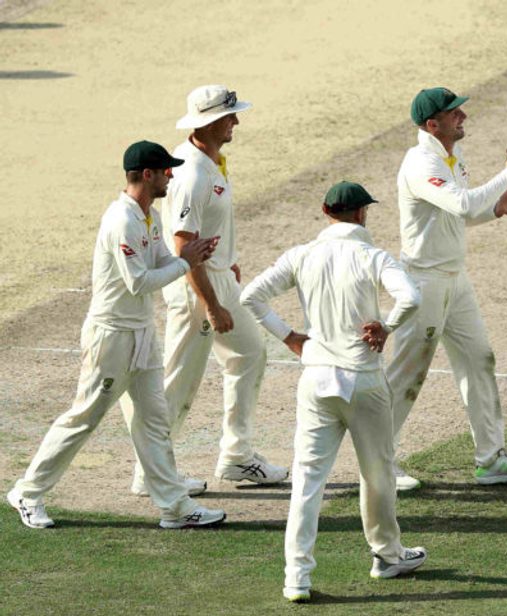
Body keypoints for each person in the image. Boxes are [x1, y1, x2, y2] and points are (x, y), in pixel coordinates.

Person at [8, 141, 226, 529]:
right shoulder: (121, 219)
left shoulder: (149, 216)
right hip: (111, 336)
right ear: (147, 174)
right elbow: (139, 282)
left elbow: (161, 260)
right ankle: (28, 492)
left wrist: (191, 254)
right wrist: (184, 263)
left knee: (153, 420)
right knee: (84, 417)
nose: (170, 176)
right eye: (165, 171)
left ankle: (174, 507)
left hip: (141, 334)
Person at [241, 181, 426, 603]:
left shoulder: (302, 255)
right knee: (378, 474)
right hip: (363, 380)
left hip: (317, 379)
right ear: (362, 214)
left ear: (326, 211)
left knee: (307, 482)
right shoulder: (373, 255)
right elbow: (411, 296)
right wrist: (388, 326)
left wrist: (288, 336)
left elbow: (251, 295)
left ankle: (296, 578)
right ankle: (387, 555)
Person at [128, 85, 288, 495]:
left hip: (217, 279)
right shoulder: (191, 175)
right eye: (230, 116)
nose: (236, 121)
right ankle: (151, 473)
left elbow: (205, 231)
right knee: (179, 382)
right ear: (210, 122)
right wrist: (212, 305)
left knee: (249, 354)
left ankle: (237, 457)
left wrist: (226, 262)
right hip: (196, 290)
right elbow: (183, 247)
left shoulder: (212, 163)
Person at [387, 87, 507, 489]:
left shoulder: (450, 159)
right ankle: (379, 461)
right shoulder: (421, 163)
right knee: (408, 372)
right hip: (424, 282)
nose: (463, 118)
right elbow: (461, 204)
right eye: (454, 114)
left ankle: (491, 458)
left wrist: (496, 208)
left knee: (479, 360)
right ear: (432, 124)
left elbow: (461, 213)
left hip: (455, 279)